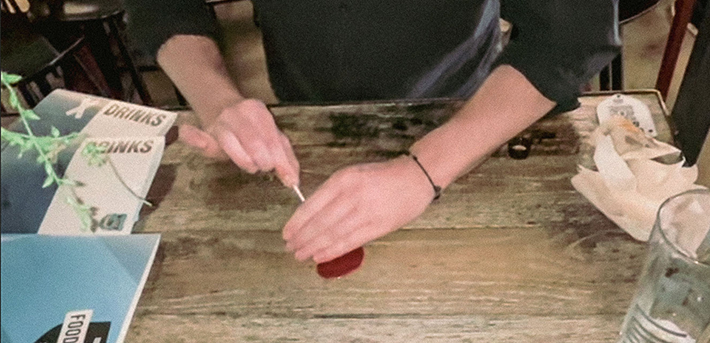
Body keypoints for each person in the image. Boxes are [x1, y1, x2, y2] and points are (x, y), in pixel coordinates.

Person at [125, 0, 620, 264]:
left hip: (467, 111)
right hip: (303, 105)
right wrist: (218, 103)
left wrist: (423, 170)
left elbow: (571, 34)